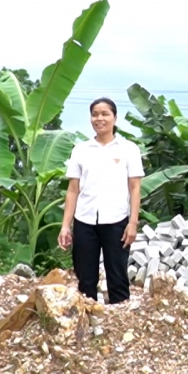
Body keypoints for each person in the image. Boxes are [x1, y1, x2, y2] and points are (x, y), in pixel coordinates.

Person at [59, 98, 145, 304]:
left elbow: (135, 188)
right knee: (85, 278)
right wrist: (65, 226)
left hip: (117, 221)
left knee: (117, 275)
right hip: (85, 220)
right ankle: (88, 321)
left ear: (115, 118)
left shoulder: (128, 149)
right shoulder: (81, 150)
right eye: (95, 114)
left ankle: (119, 324)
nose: (100, 118)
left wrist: (133, 223)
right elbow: (73, 190)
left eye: (105, 114)